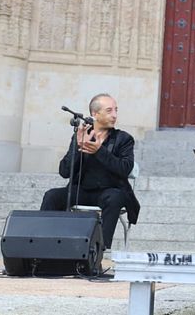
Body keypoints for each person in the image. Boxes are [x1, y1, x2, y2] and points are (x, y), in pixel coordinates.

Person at [40, 94, 140, 250]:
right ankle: (44, 247)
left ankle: (98, 251)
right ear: (95, 114)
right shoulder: (80, 135)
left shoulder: (124, 139)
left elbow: (125, 168)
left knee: (114, 198)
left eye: (115, 110)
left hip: (109, 191)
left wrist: (100, 151)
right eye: (109, 111)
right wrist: (78, 147)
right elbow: (64, 172)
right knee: (52, 196)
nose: (114, 115)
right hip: (83, 191)